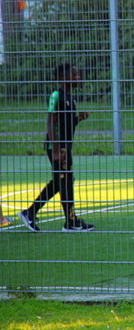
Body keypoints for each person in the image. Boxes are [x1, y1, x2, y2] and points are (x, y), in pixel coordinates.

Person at [19, 63, 95, 232]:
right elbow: (51, 123)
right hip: (58, 147)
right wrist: (55, 150)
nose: (78, 78)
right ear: (62, 78)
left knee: (62, 180)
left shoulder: (71, 98)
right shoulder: (56, 95)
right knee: (65, 181)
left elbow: (66, 124)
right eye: (74, 75)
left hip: (65, 146)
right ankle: (70, 221)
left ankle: (30, 212)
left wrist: (78, 119)